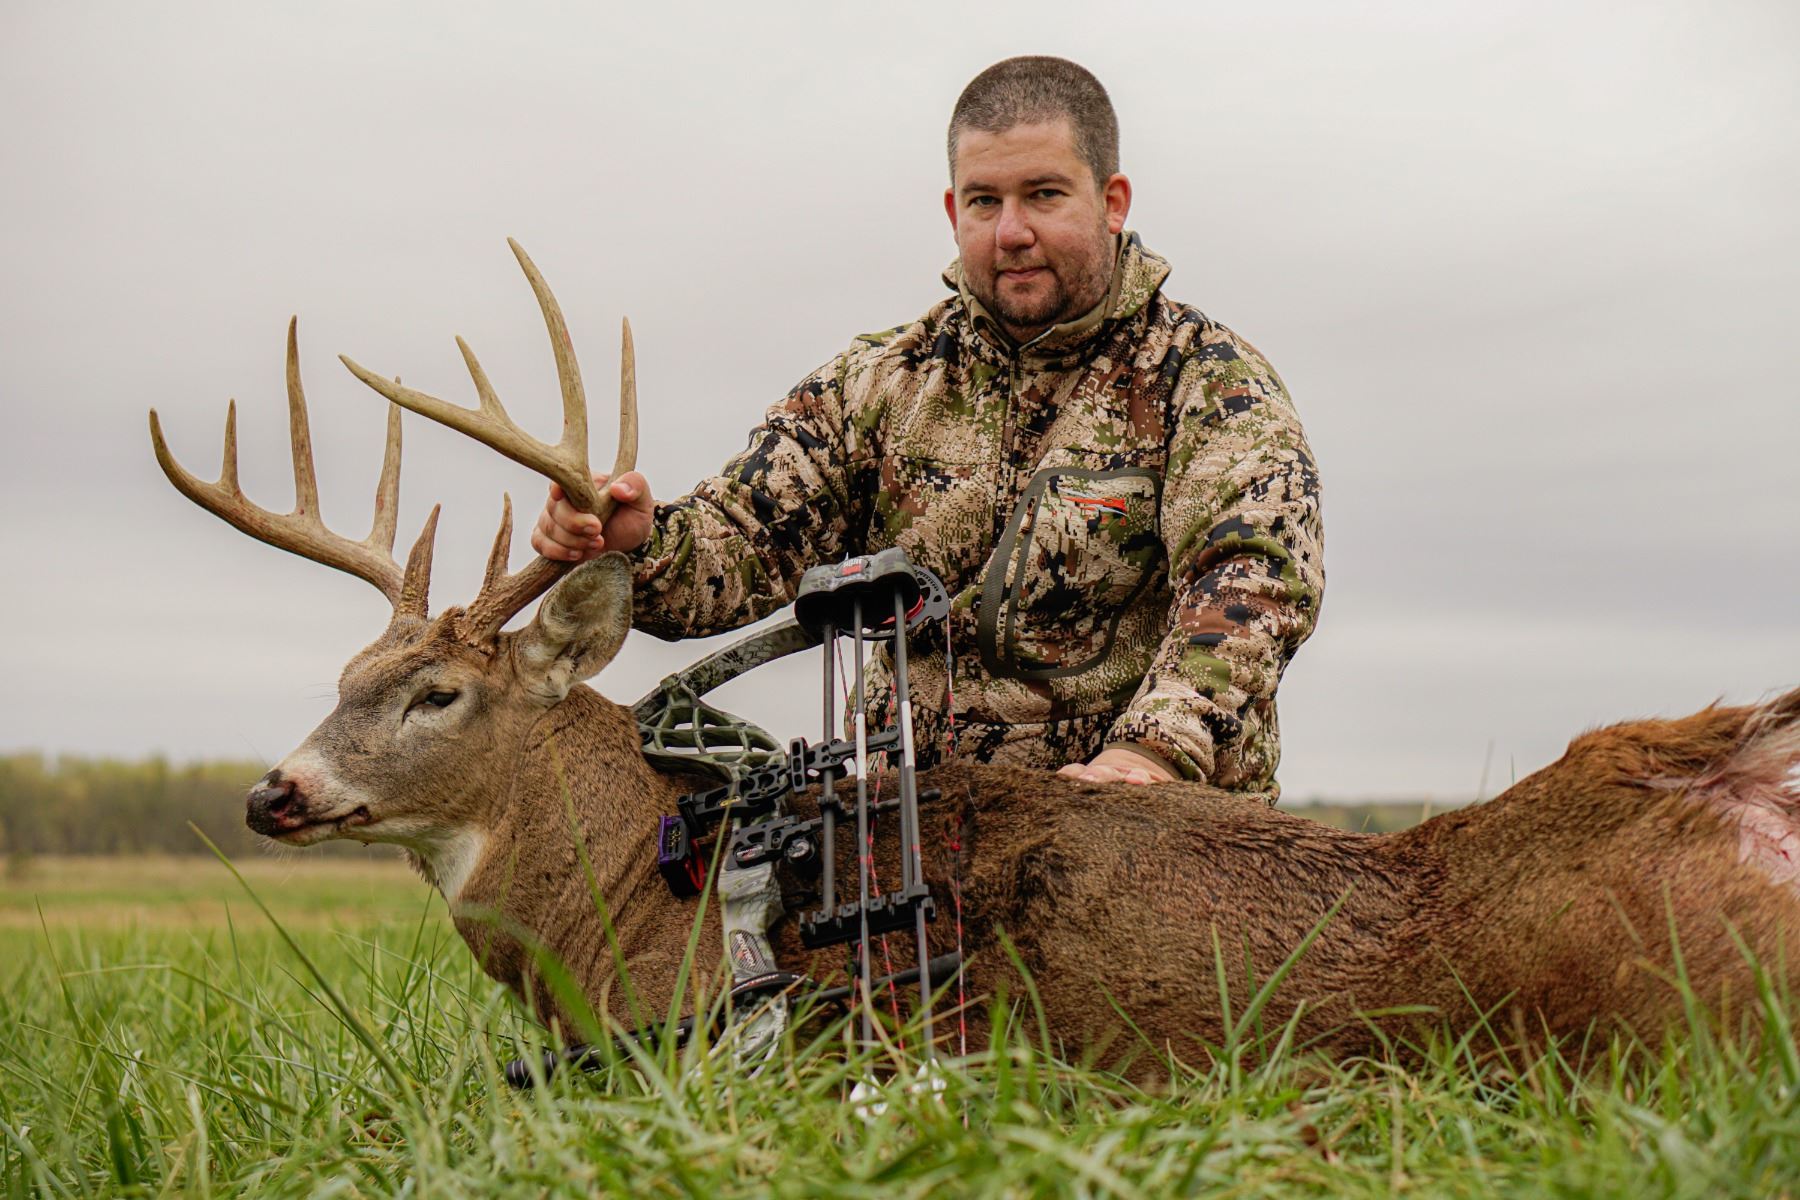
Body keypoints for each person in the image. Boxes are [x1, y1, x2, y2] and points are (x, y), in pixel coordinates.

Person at [532, 56, 1324, 796]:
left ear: (1112, 202)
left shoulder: (1208, 383)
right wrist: (641, 542)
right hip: (912, 832)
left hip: (1137, 822)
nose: (1011, 231)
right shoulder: (881, 383)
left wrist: (1149, 753)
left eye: (1044, 195)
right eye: (985, 202)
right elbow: (745, 538)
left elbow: (1252, 583)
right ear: (953, 211)